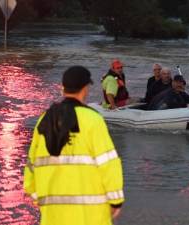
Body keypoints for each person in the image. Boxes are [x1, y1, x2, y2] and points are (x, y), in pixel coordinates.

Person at [24, 66, 125, 225]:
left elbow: (31, 168)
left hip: (53, 216)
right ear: (85, 88)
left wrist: (42, 200)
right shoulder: (92, 119)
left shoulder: (45, 119)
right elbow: (108, 164)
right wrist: (116, 201)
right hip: (90, 216)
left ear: (63, 88)